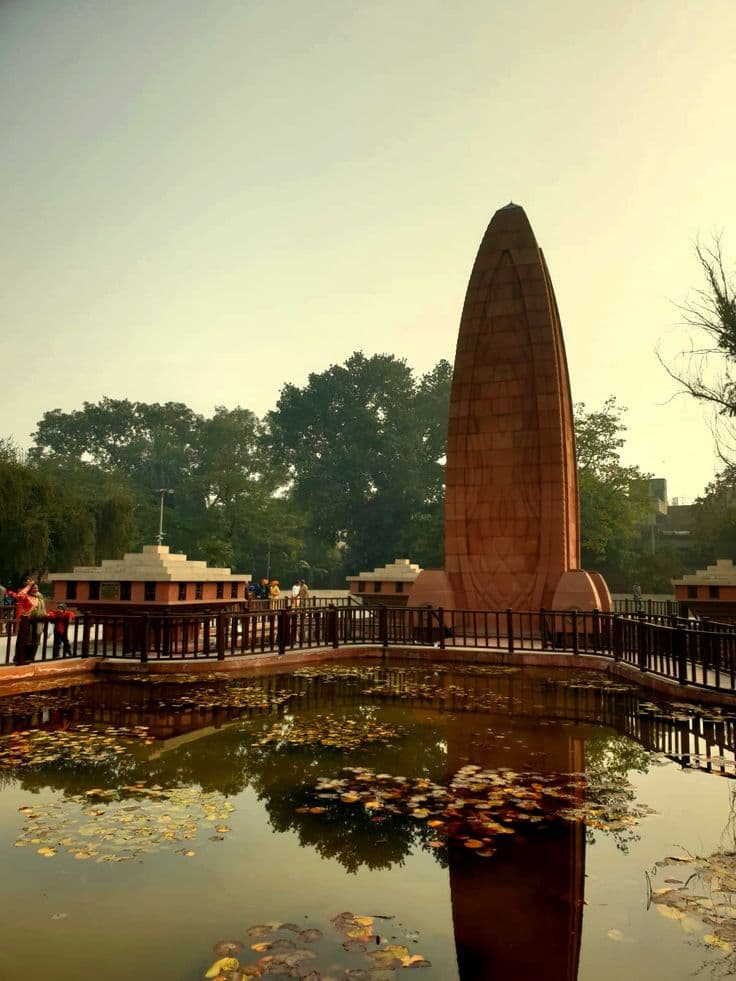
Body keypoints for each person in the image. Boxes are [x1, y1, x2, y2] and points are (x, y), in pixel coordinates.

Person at [10, 579, 46, 664]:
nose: (36, 590)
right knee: (25, 642)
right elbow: (20, 595)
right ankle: (21, 660)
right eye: (34, 588)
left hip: (38, 623)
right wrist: (29, 585)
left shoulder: (39, 597)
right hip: (27, 623)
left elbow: (44, 609)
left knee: (35, 642)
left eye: (37, 588)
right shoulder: (27, 597)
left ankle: (30, 659)